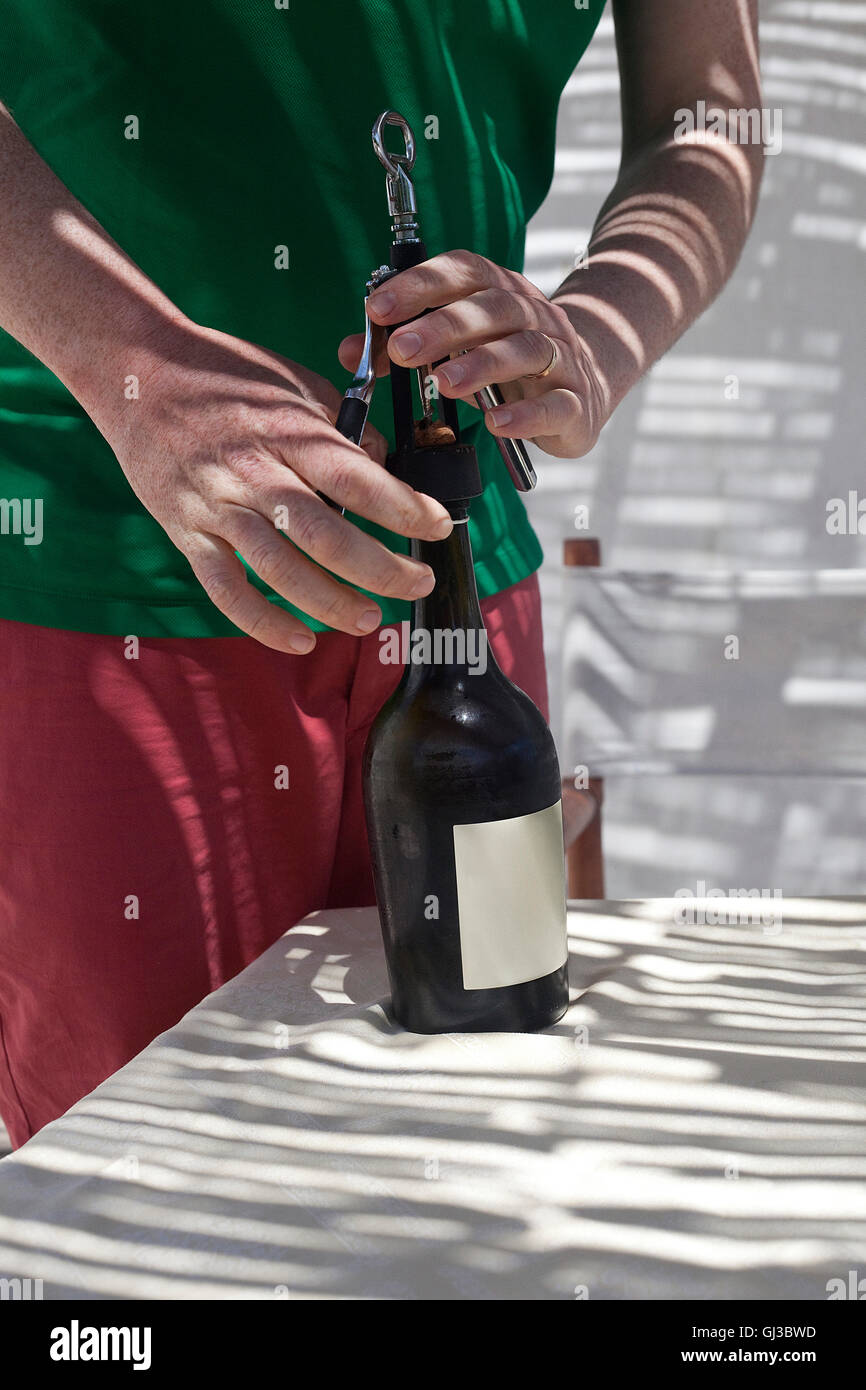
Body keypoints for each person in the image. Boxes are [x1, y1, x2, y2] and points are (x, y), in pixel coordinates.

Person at [0, 0, 763, 1148]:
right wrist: (136, 368)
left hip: (462, 593)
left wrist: (592, 340)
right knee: (164, 1172)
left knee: (482, 1102)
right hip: (103, 591)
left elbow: (703, 117)